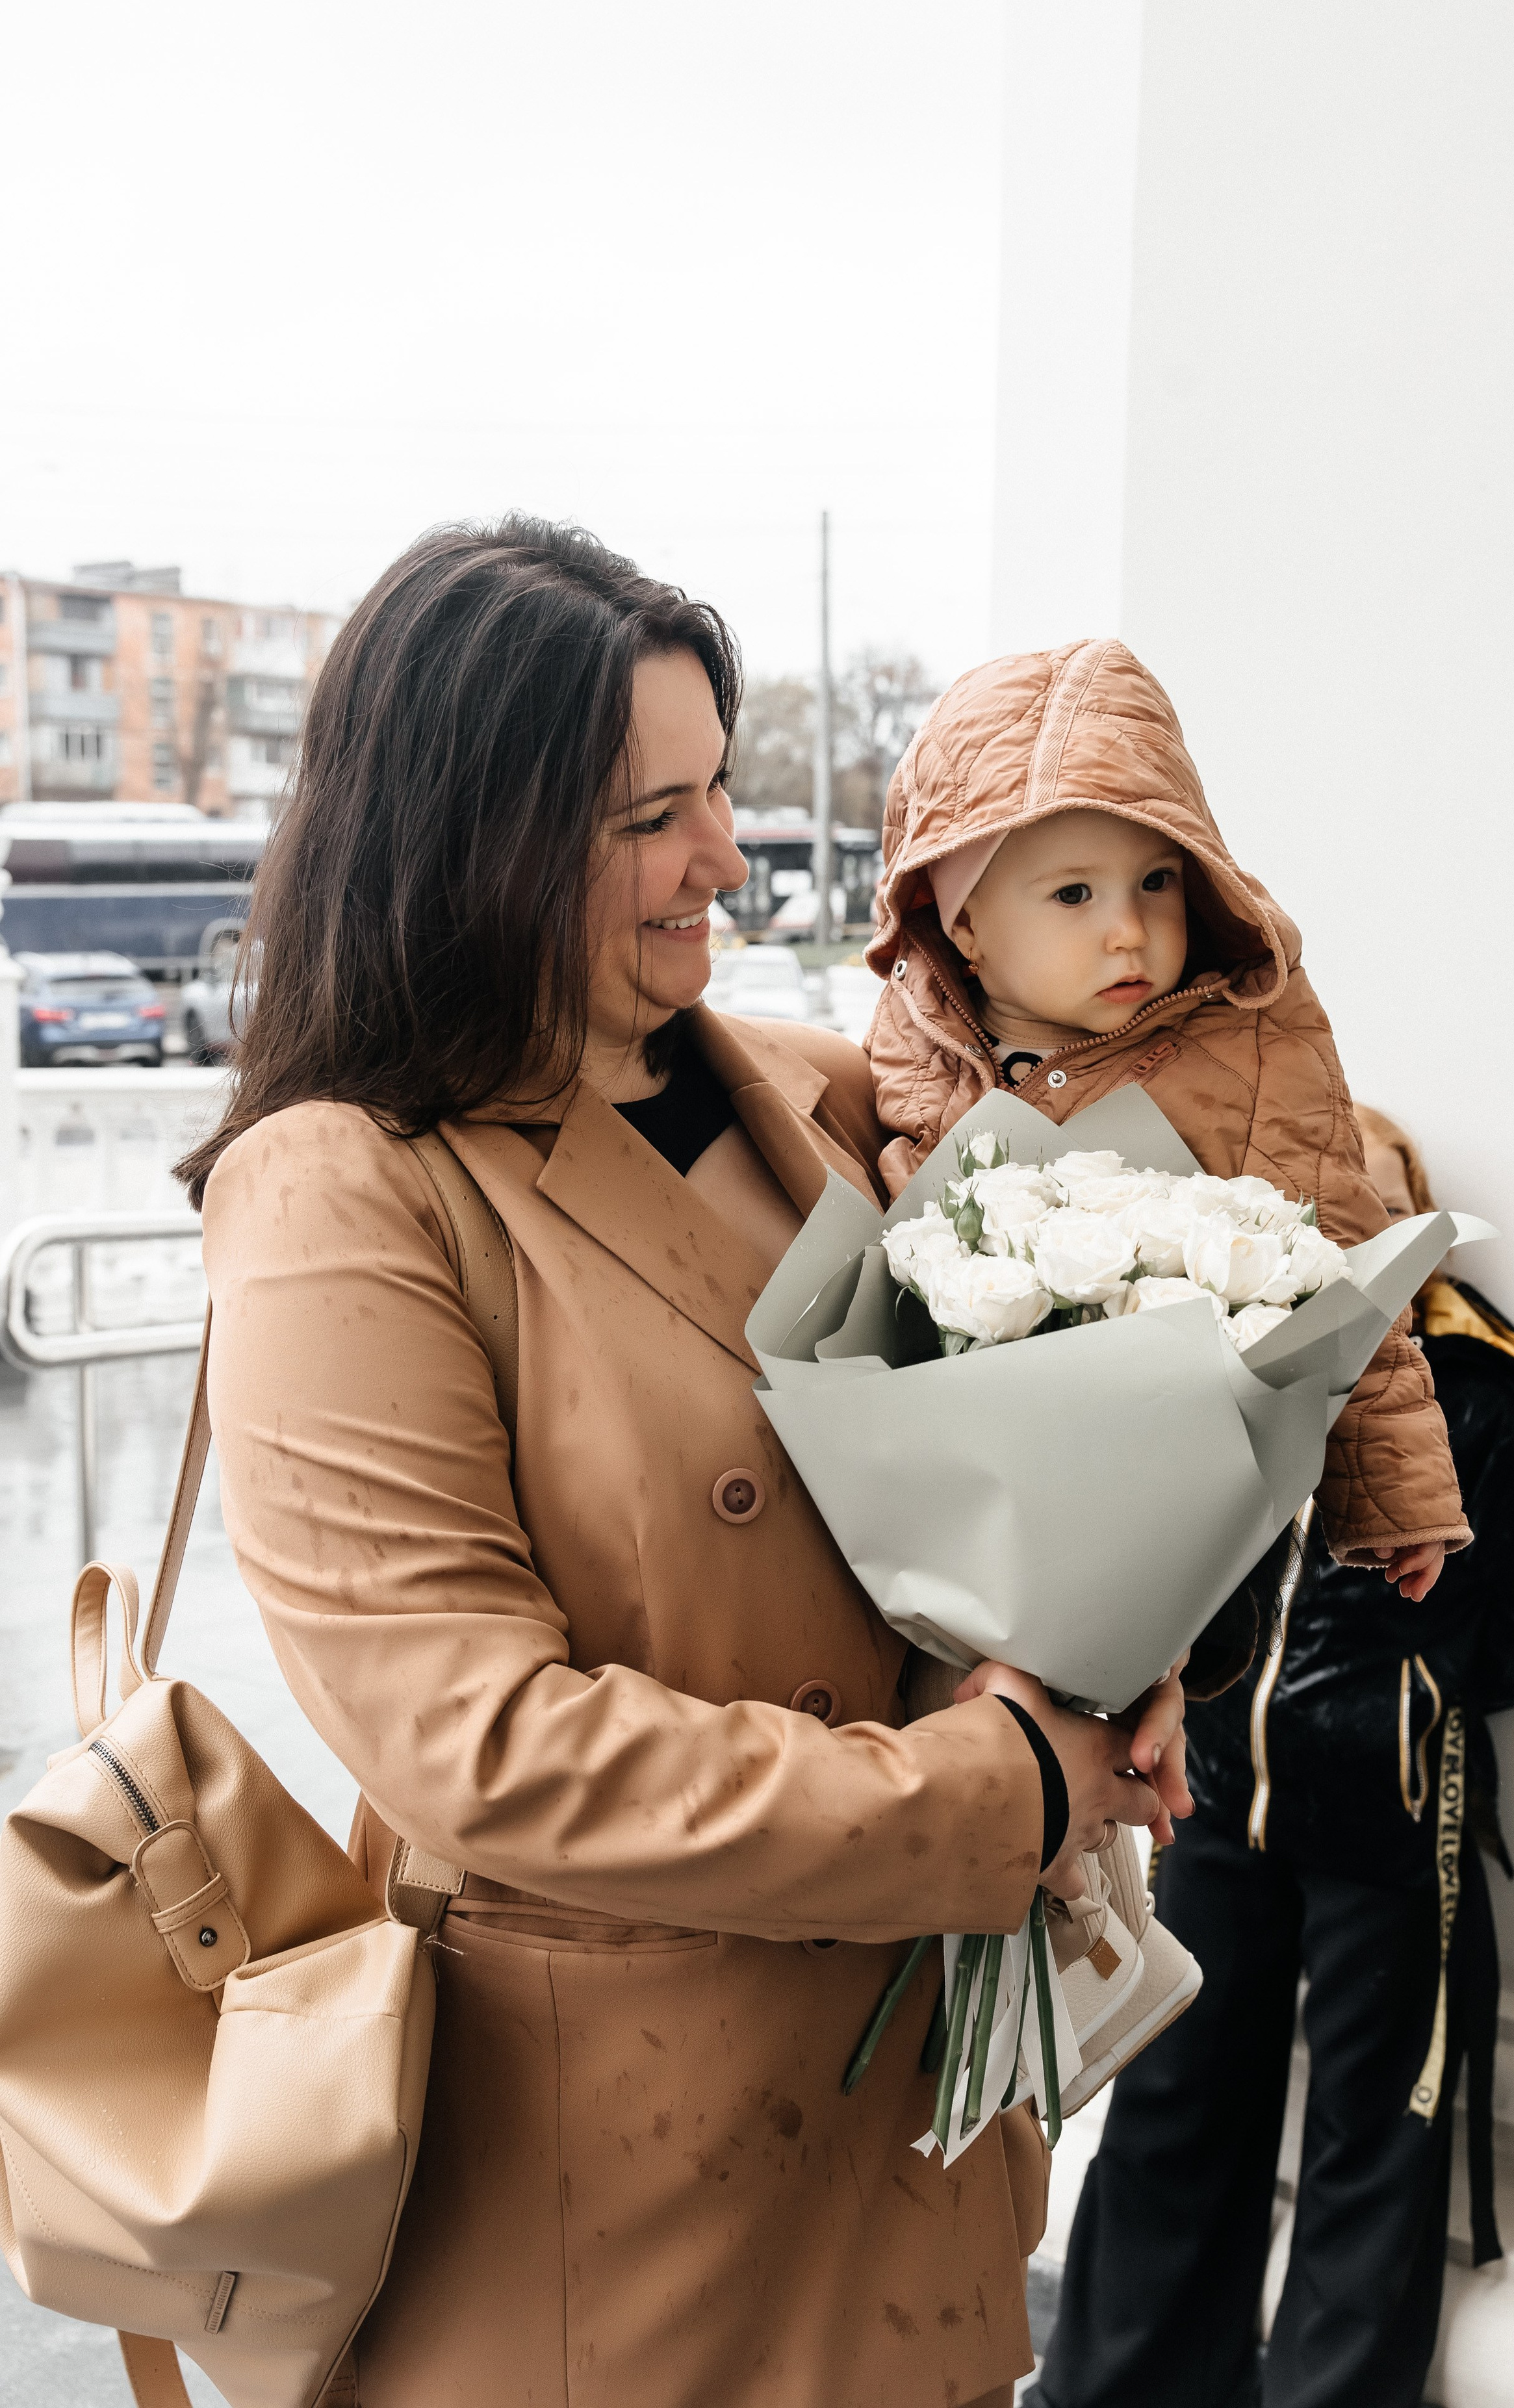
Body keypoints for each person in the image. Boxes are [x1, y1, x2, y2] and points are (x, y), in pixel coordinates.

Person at [179, 519, 1190, 2408]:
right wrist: (991, 1795)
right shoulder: (344, 1190)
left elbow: (1004, 1472)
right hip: (616, 2225)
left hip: (905, 2161)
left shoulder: (818, 1094)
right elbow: (482, 1749)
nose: (727, 856)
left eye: (719, 789)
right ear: (476, 836)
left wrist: (1111, 1659)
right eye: (657, 815)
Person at [1032, 1107, 1514, 2408]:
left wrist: (1420, 1694)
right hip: (1216, 1810)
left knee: (1373, 2128)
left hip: (1388, 1823)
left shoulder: (1477, 1413)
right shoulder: (1229, 1378)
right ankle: (1115, 2381)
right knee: (1174, 2099)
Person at [864, 639, 1470, 1626]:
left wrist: (1395, 1494)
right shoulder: (912, 1031)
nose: (1129, 930)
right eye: (1074, 894)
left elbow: (1351, 1270)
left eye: (1157, 882)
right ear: (960, 924)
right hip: (971, 1504)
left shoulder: (1248, 1038)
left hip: (1189, 1506)